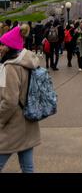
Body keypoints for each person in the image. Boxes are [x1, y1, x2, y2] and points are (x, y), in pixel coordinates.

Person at [0, 25, 41, 173]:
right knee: (28, 167)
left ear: (9, 47)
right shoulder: (28, 62)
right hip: (27, 119)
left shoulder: (10, 67)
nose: (0, 47)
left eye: (2, 44)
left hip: (12, 124)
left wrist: (1, 119)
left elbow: (10, 101)